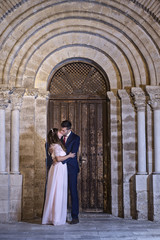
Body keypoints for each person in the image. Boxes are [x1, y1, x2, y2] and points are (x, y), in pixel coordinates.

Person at [42, 128, 75, 226]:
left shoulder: (55, 145)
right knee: (57, 192)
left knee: (56, 191)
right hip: (58, 170)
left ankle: (54, 216)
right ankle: (56, 218)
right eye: (59, 132)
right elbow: (58, 158)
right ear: (56, 136)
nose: (61, 132)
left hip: (59, 169)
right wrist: (69, 156)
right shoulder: (55, 146)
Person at [61, 120, 80, 224]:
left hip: (71, 168)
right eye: (61, 130)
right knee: (61, 192)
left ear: (69, 129)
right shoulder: (60, 137)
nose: (62, 132)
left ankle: (75, 216)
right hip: (60, 169)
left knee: (73, 192)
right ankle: (61, 216)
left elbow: (73, 153)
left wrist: (61, 160)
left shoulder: (76, 138)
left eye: (64, 130)